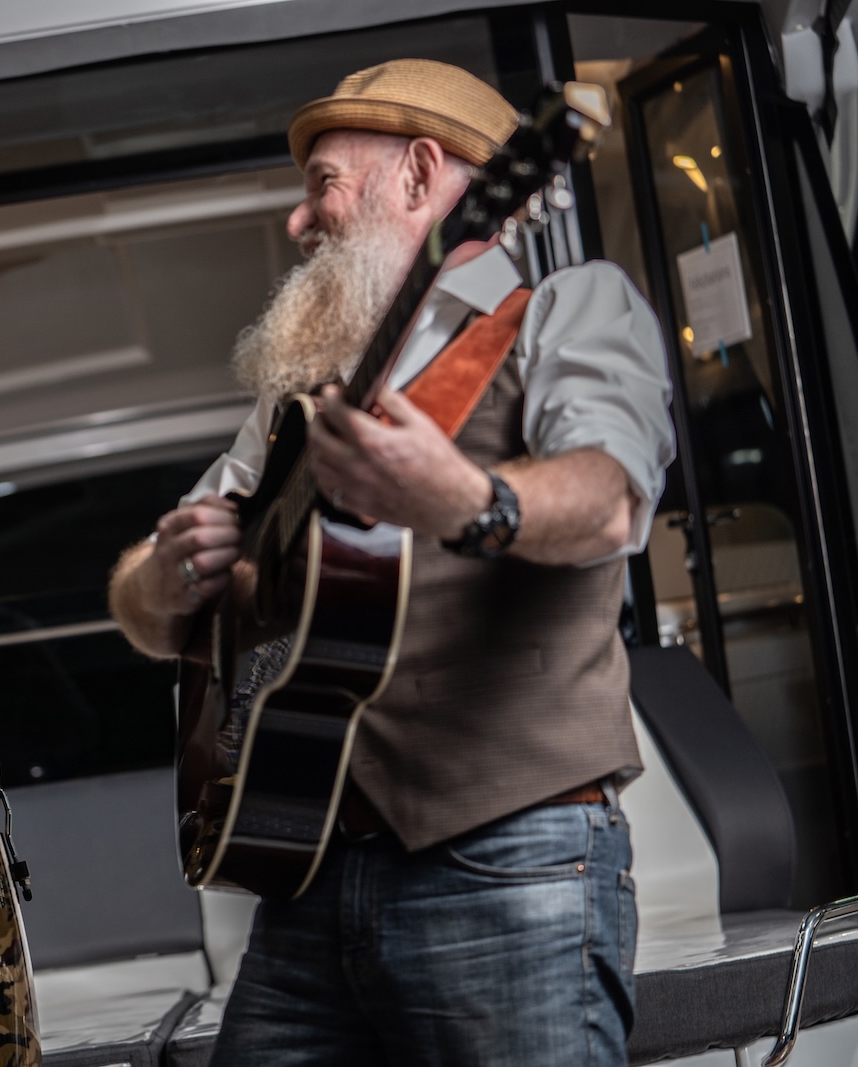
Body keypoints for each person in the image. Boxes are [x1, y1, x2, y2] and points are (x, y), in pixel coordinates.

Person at [108, 60, 674, 1065]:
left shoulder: (566, 311)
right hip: (307, 873)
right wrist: (165, 575)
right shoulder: (303, 400)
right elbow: (146, 609)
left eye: (322, 183)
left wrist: (464, 497)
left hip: (509, 863)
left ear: (420, 175)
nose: (300, 220)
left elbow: (609, 499)